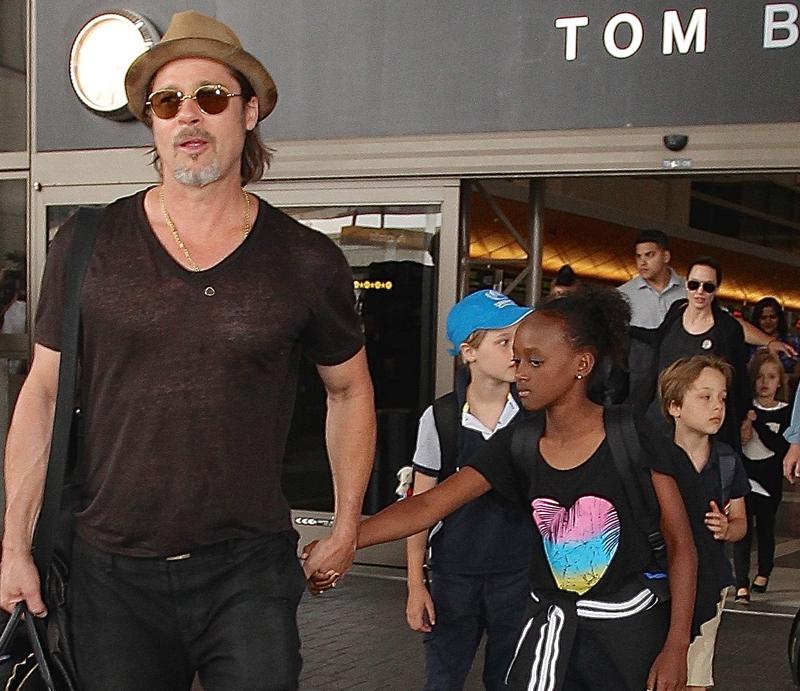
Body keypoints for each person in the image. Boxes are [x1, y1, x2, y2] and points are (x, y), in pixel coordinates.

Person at [0, 11, 375, 691]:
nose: (188, 117)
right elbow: (43, 392)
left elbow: (349, 390)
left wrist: (347, 521)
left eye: (211, 97)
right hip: (109, 572)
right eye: (168, 102)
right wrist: (13, 546)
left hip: (248, 569)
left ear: (250, 111)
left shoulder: (304, 259)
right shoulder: (88, 244)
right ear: (152, 122)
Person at [307, 285, 701, 691]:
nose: (521, 372)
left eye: (535, 361)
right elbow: (430, 505)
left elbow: (680, 545)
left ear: (582, 363)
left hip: (627, 638)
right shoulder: (522, 441)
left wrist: (676, 645)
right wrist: (346, 540)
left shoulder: (631, 436)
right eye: (517, 360)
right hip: (551, 633)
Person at [406, 289, 533, 691]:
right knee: (443, 680)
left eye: (518, 338)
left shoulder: (537, 416)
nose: (516, 350)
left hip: (521, 575)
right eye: (502, 341)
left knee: (512, 680)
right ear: (469, 351)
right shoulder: (440, 418)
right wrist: (415, 585)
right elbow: (421, 506)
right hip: (454, 576)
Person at [657, 355, 748, 691]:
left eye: (722, 398)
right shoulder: (653, 458)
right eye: (705, 396)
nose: (717, 407)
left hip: (710, 581)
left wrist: (728, 528)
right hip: (657, 584)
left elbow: (740, 522)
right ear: (674, 406)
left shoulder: (726, 460)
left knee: (696, 676)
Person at [633, 256, 752, 450]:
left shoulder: (727, 328)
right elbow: (656, 346)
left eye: (708, 287)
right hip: (660, 418)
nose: (700, 292)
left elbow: (737, 380)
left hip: (700, 428)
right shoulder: (676, 311)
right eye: (694, 284)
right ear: (686, 284)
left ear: (716, 290)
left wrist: (746, 416)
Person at [733, 351, 791, 602]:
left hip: (769, 477)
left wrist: (758, 426)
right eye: (759, 377)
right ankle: (741, 582)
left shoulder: (786, 412)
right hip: (745, 475)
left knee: (766, 528)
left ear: (780, 381)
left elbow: (781, 446)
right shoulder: (745, 409)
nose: (764, 383)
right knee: (742, 529)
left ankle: (764, 572)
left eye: (771, 377)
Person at [748, 297, 800, 388]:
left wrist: (782, 378)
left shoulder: (792, 341)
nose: (768, 321)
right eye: (763, 318)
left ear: (779, 318)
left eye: (772, 317)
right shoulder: (749, 342)